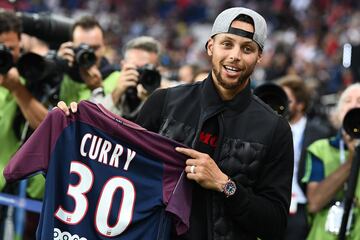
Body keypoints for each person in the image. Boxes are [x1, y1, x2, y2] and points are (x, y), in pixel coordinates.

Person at [58, 7, 294, 239]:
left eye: (247, 49)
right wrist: (76, 125)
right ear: (210, 46)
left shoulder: (275, 129)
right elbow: (119, 168)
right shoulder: (164, 103)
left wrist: (225, 185)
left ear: (259, 56)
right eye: (227, 44)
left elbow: (275, 224)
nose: (235, 55)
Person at [0, 10, 48, 239]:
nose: (7, 54)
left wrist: (17, 88)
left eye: (12, 48)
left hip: (10, 189)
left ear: (21, 43)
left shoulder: (31, 74)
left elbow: (45, 126)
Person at [302, 83, 360, 240]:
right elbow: (314, 203)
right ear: (339, 112)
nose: (354, 105)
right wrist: (351, 162)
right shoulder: (321, 149)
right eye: (348, 101)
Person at [278, 75, 332, 240]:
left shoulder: (320, 133)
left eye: (287, 100)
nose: (282, 105)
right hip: (274, 205)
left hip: (302, 206)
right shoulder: (270, 129)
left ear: (300, 105)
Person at [93, 36, 163, 121]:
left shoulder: (167, 92)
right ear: (123, 66)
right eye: (136, 68)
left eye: (147, 68)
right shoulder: (109, 82)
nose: (141, 75)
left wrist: (153, 101)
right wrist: (117, 93)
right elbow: (95, 121)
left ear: (158, 70)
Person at [57, 15, 120, 105]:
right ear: (71, 46)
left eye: (95, 48)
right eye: (82, 48)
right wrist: (56, 68)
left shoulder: (118, 79)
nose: (89, 54)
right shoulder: (64, 75)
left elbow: (110, 118)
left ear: (104, 46)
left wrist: (97, 89)